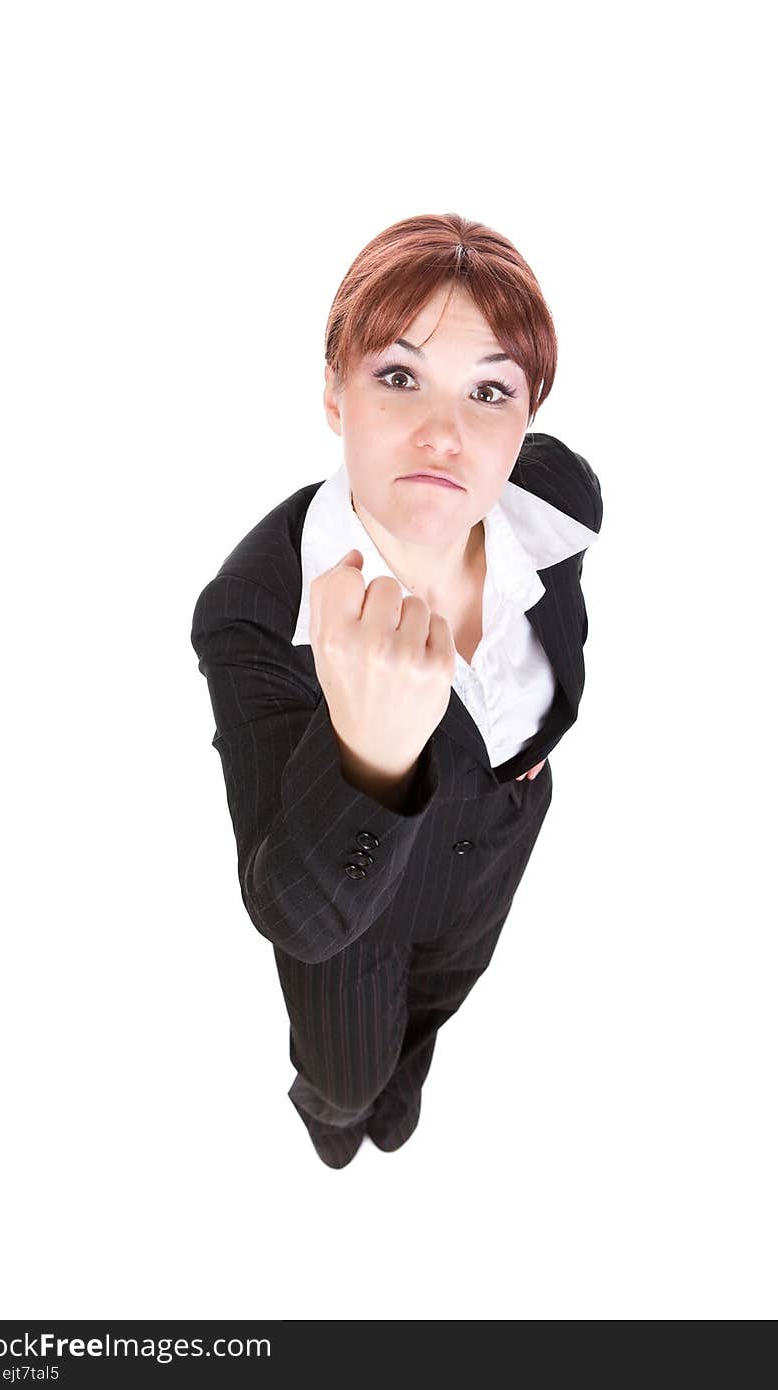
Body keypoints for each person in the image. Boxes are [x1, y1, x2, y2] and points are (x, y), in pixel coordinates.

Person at [190, 212, 603, 1167]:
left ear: (526, 416)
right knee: (346, 1074)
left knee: (444, 996)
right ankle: (336, 1121)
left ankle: (403, 1087)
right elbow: (292, 910)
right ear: (336, 394)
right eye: (400, 375)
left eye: (489, 390)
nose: (446, 435)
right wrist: (373, 757)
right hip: (354, 917)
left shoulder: (557, 500)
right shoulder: (254, 610)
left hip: (496, 850)